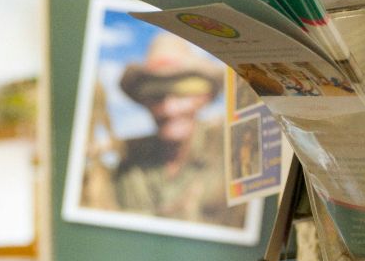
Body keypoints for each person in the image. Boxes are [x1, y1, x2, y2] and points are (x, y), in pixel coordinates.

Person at [82, 33, 245, 229]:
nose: (169, 109)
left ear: (205, 97)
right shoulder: (127, 164)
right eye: (157, 96)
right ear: (144, 101)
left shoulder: (236, 156)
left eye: (182, 93)